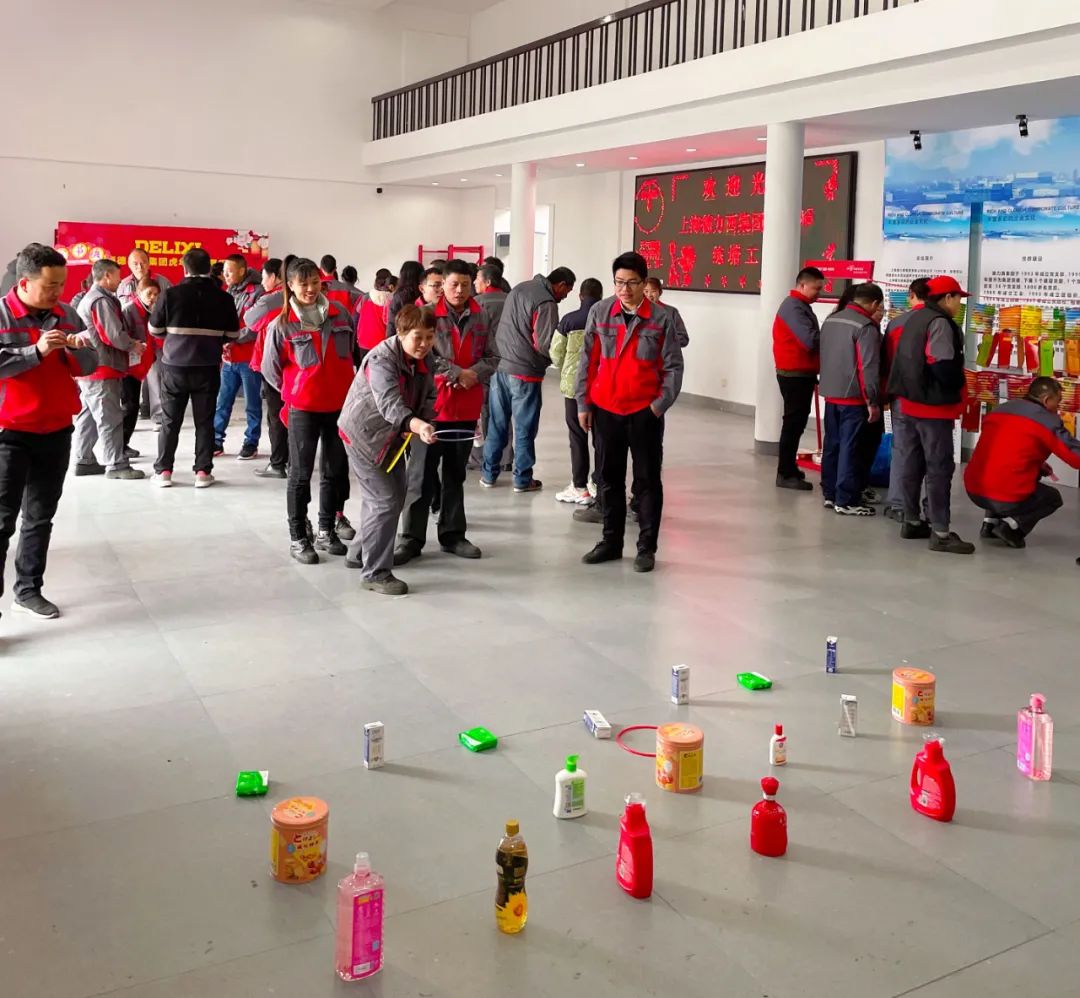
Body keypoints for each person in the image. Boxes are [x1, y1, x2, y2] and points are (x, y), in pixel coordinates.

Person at [0, 242, 98, 619]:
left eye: (61, 284)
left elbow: (89, 365)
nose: (58, 292)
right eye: (50, 285)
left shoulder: (67, 314)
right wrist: (36, 352)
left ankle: (28, 590)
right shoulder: (3, 315)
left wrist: (75, 350)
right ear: (24, 283)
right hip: (9, 432)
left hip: (56, 429)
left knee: (40, 517)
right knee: (2, 521)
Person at [575, 251, 683, 573]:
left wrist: (657, 407)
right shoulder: (600, 311)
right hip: (606, 409)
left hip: (644, 412)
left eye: (632, 283)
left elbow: (673, 367)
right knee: (608, 479)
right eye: (619, 282)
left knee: (647, 481)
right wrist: (583, 402)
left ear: (644, 283)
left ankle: (646, 548)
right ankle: (611, 542)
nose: (625, 289)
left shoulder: (661, 318)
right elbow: (587, 360)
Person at [395, 260, 496, 565]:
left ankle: (453, 535)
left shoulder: (482, 316)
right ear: (442, 285)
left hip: (465, 407)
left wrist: (474, 373)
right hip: (430, 408)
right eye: (453, 284)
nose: (459, 290)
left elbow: (493, 355)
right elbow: (420, 354)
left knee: (455, 475)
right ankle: (411, 539)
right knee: (420, 476)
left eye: (465, 284)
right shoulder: (427, 315)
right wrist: (456, 373)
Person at [338, 305, 437, 596]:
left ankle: (360, 553)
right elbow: (390, 404)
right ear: (401, 333)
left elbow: (429, 394)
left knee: (389, 498)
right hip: (364, 436)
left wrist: (425, 421)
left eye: (429, 336)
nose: (424, 344)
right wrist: (416, 424)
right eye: (418, 337)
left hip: (392, 435)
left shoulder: (425, 358)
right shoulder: (381, 360)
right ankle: (375, 573)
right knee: (384, 500)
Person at [262, 256, 355, 564]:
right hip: (303, 409)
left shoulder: (340, 314)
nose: (311, 289)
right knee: (300, 474)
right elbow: (270, 369)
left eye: (315, 282)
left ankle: (326, 529)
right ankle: (298, 536)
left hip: (339, 407)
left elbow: (353, 354)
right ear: (290, 285)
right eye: (303, 284)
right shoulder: (282, 323)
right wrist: (296, 390)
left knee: (334, 470)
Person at [886, 275, 973, 554]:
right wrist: (958, 384)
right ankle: (941, 532)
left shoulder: (913, 318)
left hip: (908, 403)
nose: (959, 304)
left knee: (912, 464)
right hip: (933, 408)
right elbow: (941, 363)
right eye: (958, 298)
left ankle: (911, 521)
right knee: (939, 468)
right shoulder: (940, 323)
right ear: (947, 297)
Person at [148, 247, 240, 488]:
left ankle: (164, 471)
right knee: (205, 421)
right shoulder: (224, 298)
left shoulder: (170, 295)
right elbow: (233, 334)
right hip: (208, 367)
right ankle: (202, 472)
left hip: (174, 367)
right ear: (209, 268)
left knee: (170, 421)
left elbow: (155, 329)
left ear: (184, 268)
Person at [481, 266, 577, 492]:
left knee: (496, 424)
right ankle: (522, 479)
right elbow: (544, 343)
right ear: (561, 285)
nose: (565, 296)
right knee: (524, 428)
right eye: (567, 291)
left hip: (500, 367)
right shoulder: (546, 302)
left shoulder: (519, 289)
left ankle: (488, 475)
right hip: (525, 372)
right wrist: (559, 360)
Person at [964, 377, 1080, 548]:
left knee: (1003, 474)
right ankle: (1012, 527)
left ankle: (990, 524)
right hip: (1004, 495)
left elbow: (1005, 450)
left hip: (974, 488)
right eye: (1058, 401)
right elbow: (1074, 456)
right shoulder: (1046, 420)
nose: (1058, 407)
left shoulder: (1001, 409)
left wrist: (1037, 464)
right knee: (1052, 498)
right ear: (1046, 400)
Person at [73, 259, 146, 480]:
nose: (120, 280)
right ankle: (116, 465)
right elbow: (113, 335)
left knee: (89, 415)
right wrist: (133, 345)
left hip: (91, 366)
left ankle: (84, 459)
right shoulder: (100, 301)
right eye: (117, 275)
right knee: (109, 418)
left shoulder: (93, 298)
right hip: (102, 366)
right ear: (106, 276)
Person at [818, 282, 884, 516]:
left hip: (831, 395)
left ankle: (830, 494)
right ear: (874, 303)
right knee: (851, 449)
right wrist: (872, 401)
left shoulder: (831, 321)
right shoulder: (865, 327)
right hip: (854, 400)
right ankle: (846, 500)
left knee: (832, 446)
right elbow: (868, 367)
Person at [550, 277, 603, 505]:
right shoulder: (605, 320)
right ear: (600, 297)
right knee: (601, 438)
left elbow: (555, 352)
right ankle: (599, 483)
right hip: (601, 388)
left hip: (573, 388)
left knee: (577, 436)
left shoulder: (569, 320)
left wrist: (566, 369)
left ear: (580, 296)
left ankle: (579, 486)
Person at [773, 266, 825, 491]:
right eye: (816, 288)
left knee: (796, 423)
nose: (819, 293)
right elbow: (810, 340)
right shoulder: (794, 307)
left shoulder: (800, 306)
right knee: (793, 425)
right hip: (794, 374)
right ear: (802, 285)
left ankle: (789, 469)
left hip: (800, 372)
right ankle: (785, 473)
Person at [882, 278, 930, 521]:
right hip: (931, 399)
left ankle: (898, 505)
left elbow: (886, 362)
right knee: (933, 454)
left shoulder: (895, 324)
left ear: (911, 295)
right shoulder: (941, 323)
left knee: (902, 449)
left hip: (901, 395)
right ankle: (932, 510)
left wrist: (885, 395)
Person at [213, 255, 265, 460]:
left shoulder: (257, 292)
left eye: (229, 271)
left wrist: (231, 339)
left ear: (242, 271)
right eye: (224, 272)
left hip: (249, 358)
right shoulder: (228, 291)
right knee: (222, 402)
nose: (225, 275)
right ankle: (216, 441)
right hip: (229, 358)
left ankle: (251, 442)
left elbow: (254, 327)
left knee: (252, 404)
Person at [248, 259, 289, 480]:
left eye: (264, 276)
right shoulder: (304, 298)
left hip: (273, 363)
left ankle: (278, 463)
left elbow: (250, 320)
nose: (263, 281)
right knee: (293, 413)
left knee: (276, 415)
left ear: (274, 276)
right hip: (295, 363)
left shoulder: (270, 299)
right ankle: (292, 460)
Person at [119, 278, 162, 456]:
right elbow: (122, 337)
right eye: (149, 293)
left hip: (142, 365)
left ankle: (122, 445)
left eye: (156, 294)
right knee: (129, 407)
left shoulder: (154, 310)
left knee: (132, 406)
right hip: (128, 367)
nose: (153, 298)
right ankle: (120, 447)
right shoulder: (129, 310)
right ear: (138, 293)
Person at [356, 270, 394, 362]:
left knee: (364, 369)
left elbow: (356, 316)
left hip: (363, 341)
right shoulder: (392, 300)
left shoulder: (365, 297)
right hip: (382, 344)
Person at [387, 260, 424, 337]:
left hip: (404, 337)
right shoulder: (424, 293)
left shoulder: (399, 296)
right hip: (423, 334)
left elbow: (392, 323)